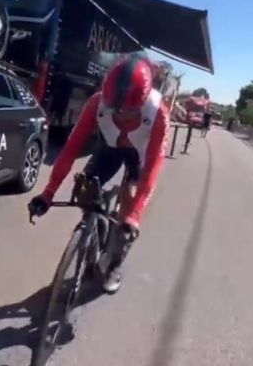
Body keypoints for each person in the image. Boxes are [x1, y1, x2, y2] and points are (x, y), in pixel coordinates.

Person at [28, 53, 170, 294]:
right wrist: (48, 193)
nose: (120, 116)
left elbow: (152, 169)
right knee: (85, 188)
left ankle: (114, 265)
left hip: (140, 155)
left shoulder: (158, 114)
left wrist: (134, 215)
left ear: (143, 103)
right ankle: (93, 231)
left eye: (128, 113)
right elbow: (70, 150)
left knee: (130, 197)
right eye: (115, 110)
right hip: (111, 146)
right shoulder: (97, 102)